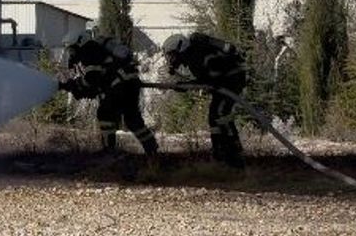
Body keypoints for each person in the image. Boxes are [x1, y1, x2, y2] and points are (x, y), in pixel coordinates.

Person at [58, 28, 159, 156]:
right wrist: (81, 88)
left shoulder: (89, 49)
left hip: (119, 86)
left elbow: (92, 78)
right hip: (130, 83)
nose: (71, 54)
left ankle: (109, 150)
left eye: (72, 49)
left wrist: (74, 85)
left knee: (105, 113)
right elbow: (98, 81)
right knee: (132, 118)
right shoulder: (94, 49)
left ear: (79, 43)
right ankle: (151, 148)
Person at [162, 32, 248, 167]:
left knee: (220, 114)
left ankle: (234, 155)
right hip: (225, 82)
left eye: (172, 55)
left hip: (231, 80)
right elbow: (207, 80)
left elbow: (211, 81)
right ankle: (220, 152)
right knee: (214, 116)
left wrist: (186, 85)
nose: (171, 59)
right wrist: (186, 85)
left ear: (180, 49)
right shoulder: (194, 57)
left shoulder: (199, 55)